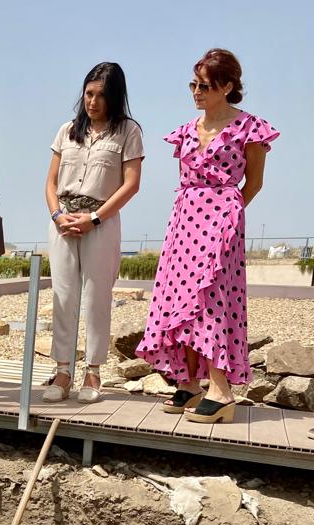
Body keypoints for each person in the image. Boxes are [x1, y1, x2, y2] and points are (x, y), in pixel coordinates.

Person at [136, 49, 278, 424]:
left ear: (227, 86)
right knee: (179, 297)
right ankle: (189, 382)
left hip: (222, 221)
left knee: (212, 299)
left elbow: (255, 183)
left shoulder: (250, 128)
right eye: (193, 84)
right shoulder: (186, 131)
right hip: (184, 221)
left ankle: (221, 390)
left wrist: (228, 215)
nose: (196, 91)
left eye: (205, 85)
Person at [43, 62, 143, 404]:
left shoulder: (128, 131)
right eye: (88, 93)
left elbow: (131, 184)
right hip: (63, 222)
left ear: (114, 97)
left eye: (101, 95)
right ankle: (62, 372)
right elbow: (51, 182)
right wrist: (57, 215)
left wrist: (95, 218)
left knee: (96, 298)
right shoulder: (67, 130)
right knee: (63, 297)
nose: (93, 102)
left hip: (100, 221)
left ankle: (93, 371)